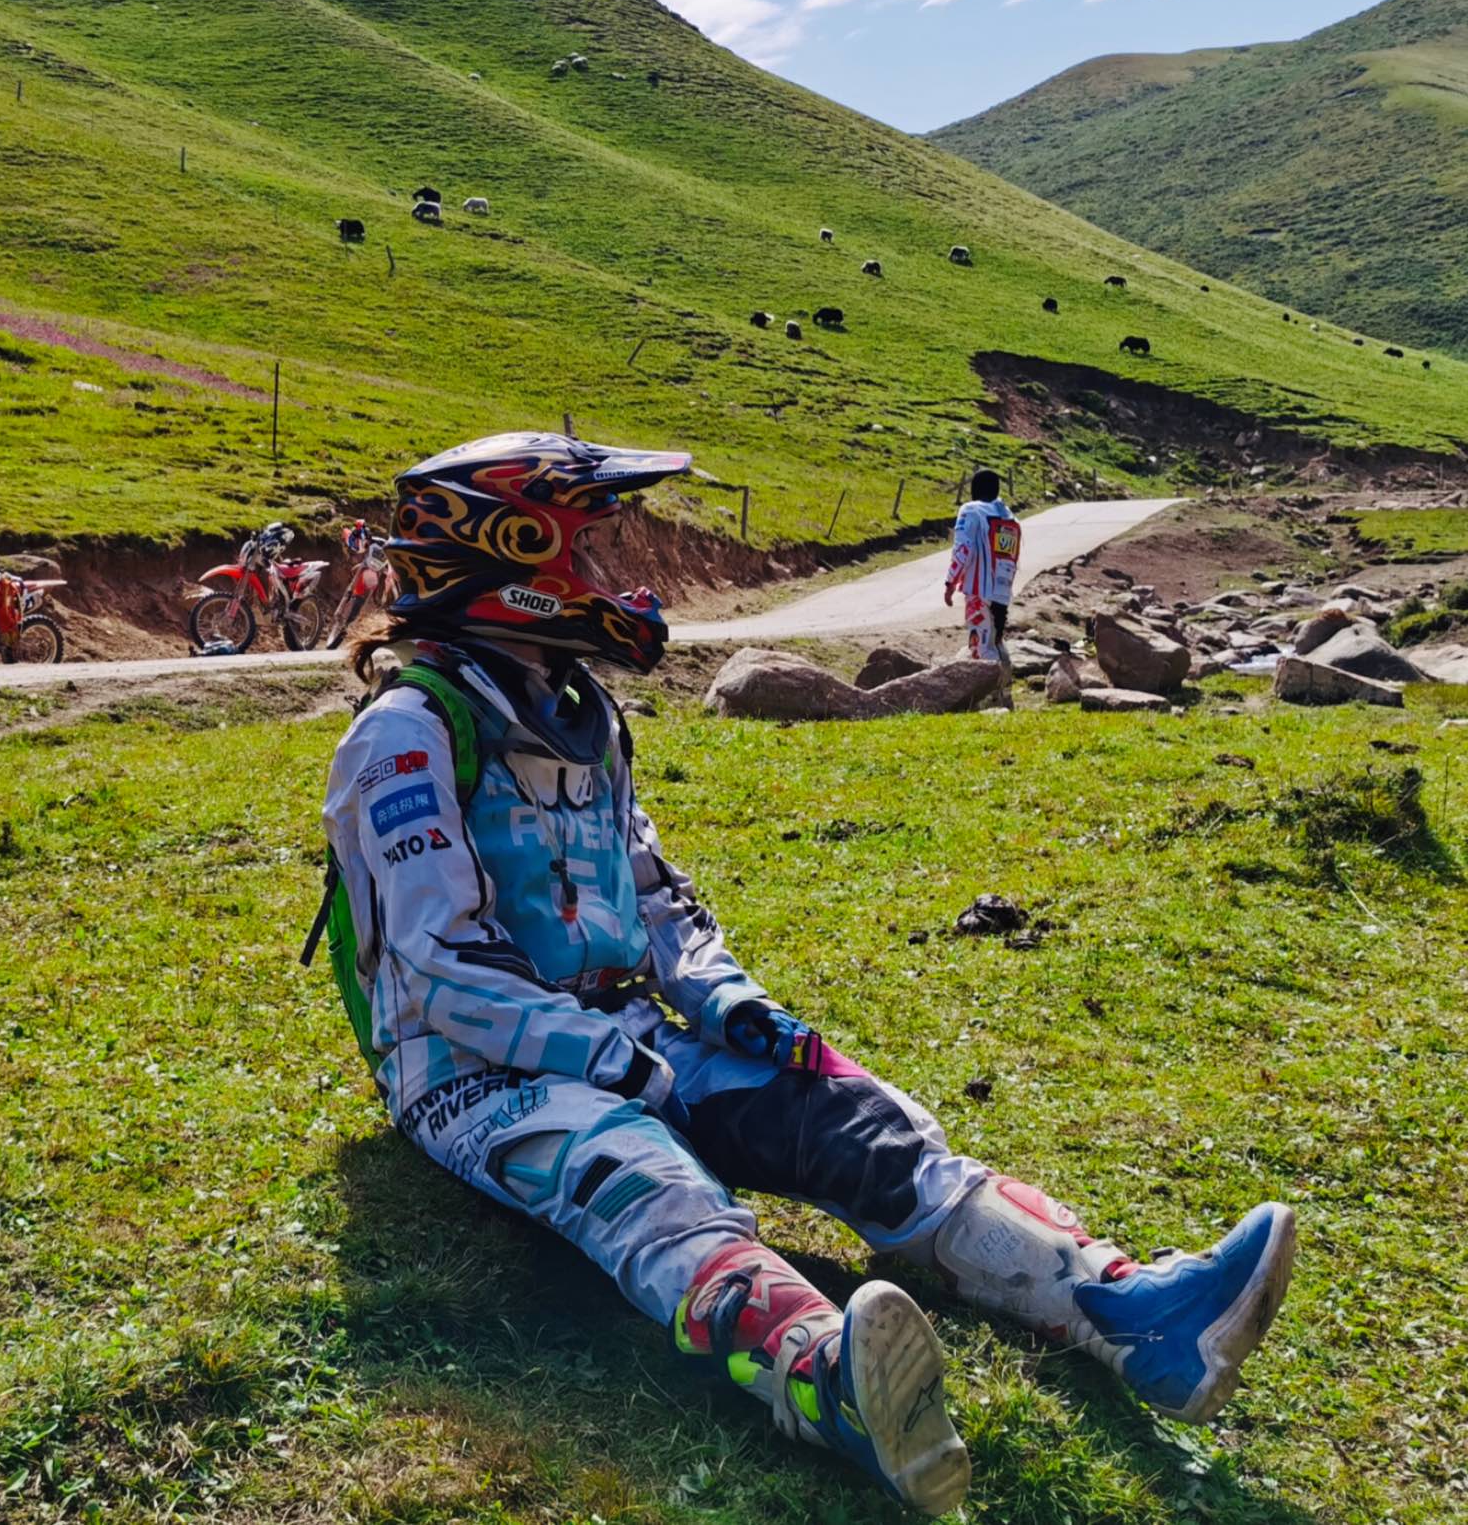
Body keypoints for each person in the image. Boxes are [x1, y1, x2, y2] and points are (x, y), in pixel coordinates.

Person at [313, 433, 1294, 1517]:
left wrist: (727, 1001)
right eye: (588, 552)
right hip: (469, 1072)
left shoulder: (582, 713)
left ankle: (1130, 1312)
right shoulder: (405, 734)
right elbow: (439, 965)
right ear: (513, 562)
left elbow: (653, 896)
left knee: (849, 1118)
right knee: (645, 1179)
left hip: (628, 1029)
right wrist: (615, 1062)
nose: (613, 580)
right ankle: (826, 1380)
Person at [944, 469, 1021, 665]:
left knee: (981, 650)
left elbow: (963, 549)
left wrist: (951, 582)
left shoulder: (971, 510)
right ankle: (1003, 690)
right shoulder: (1009, 517)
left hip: (978, 591)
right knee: (996, 642)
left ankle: (990, 692)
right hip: (1002, 591)